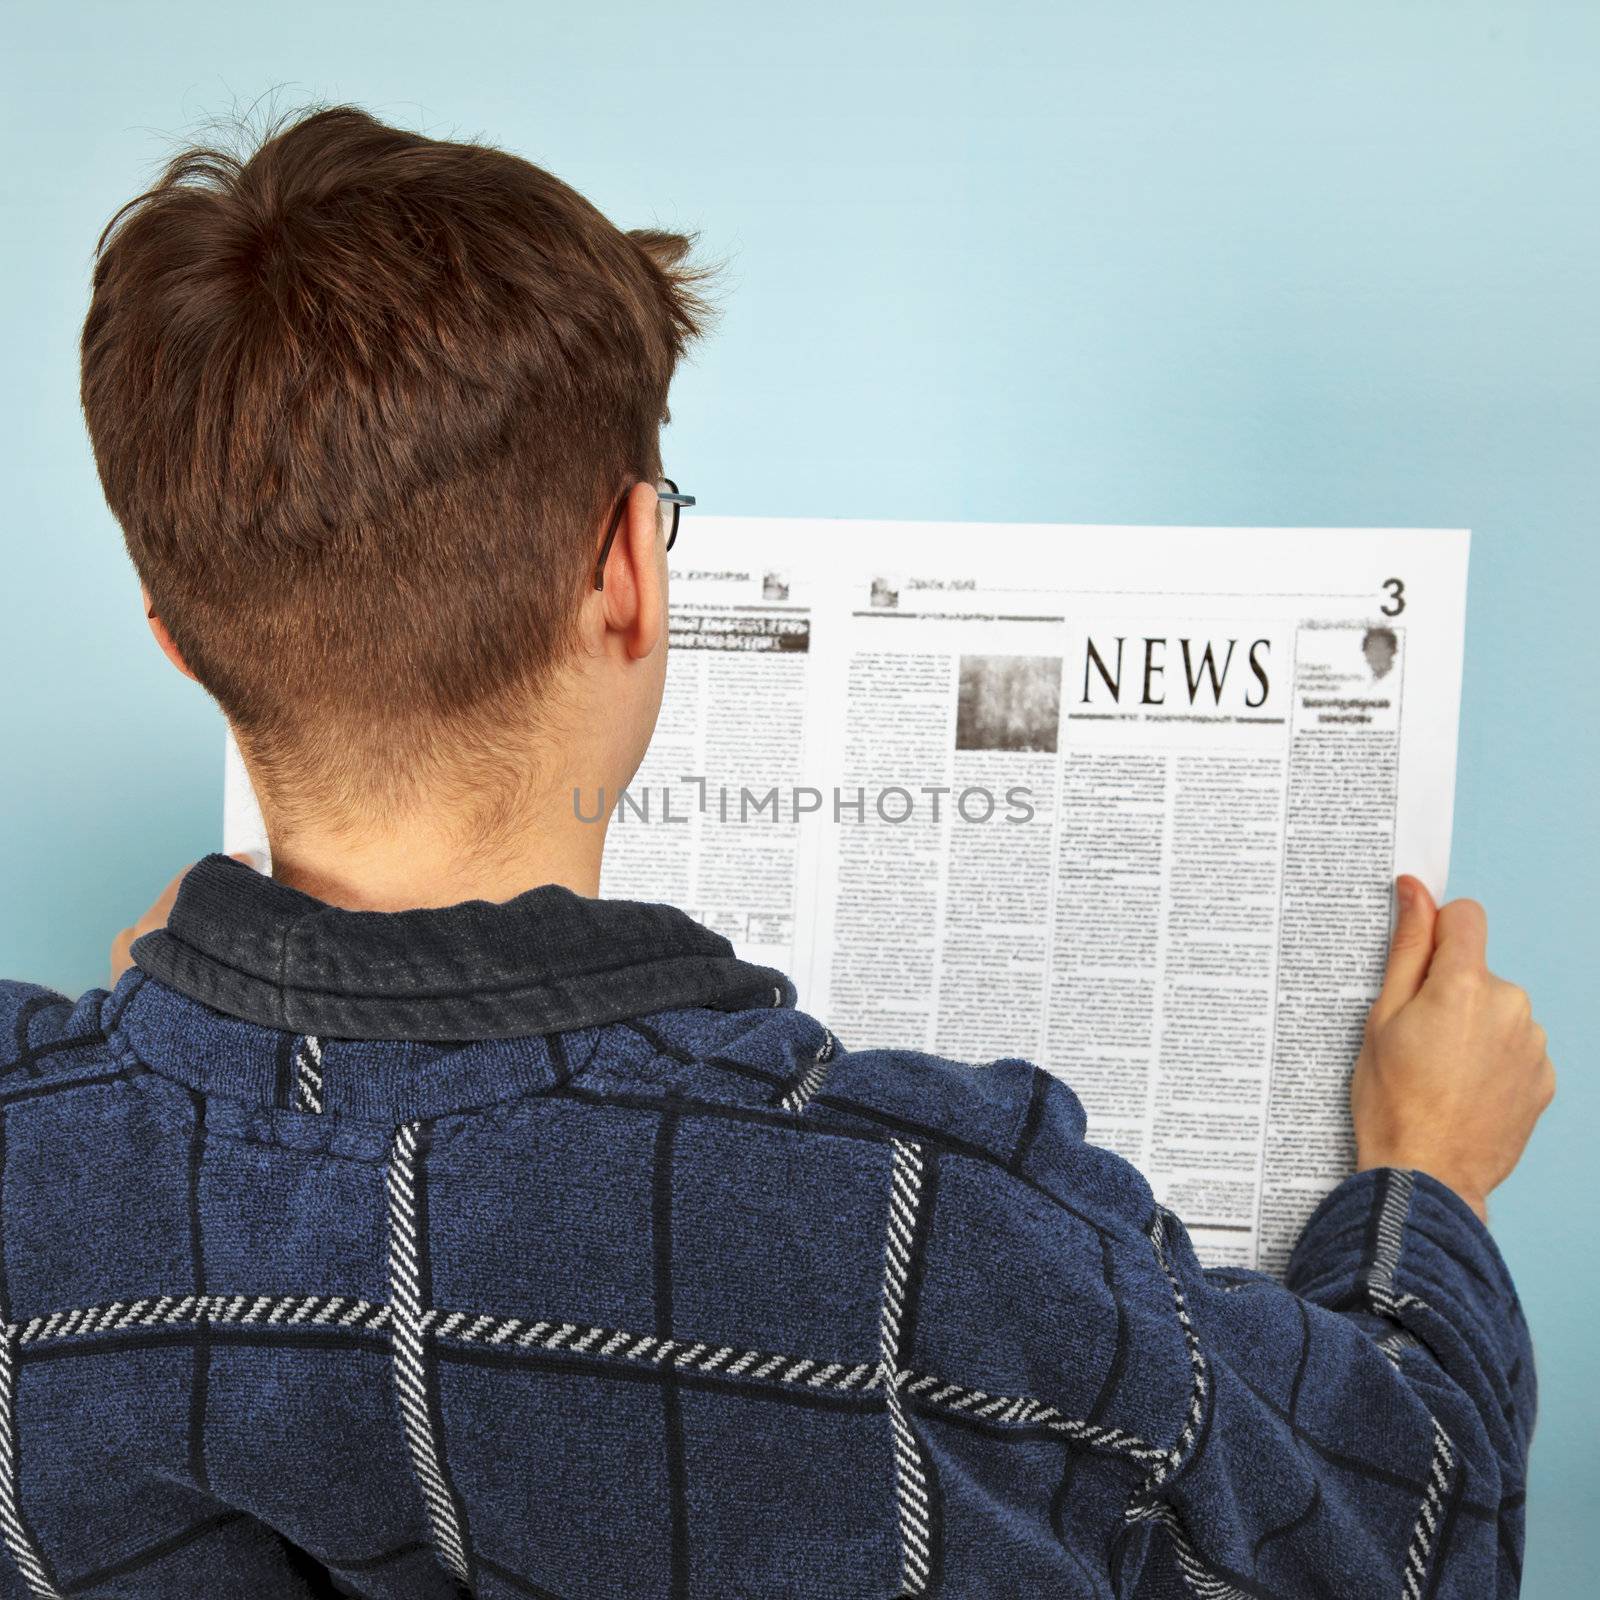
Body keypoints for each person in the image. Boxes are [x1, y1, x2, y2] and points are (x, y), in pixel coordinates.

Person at [0, 106, 1551, 1599]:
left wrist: (163, 1039)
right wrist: (1434, 1182)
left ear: (181, 643)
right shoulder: (948, 1219)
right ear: (626, 567)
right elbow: (1406, 1537)